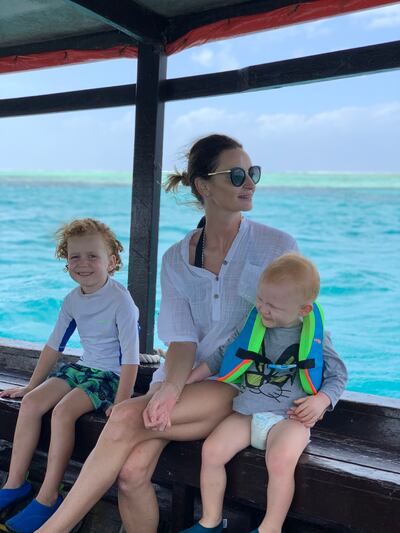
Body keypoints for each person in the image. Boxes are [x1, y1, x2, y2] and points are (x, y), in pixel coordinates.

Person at [36, 133, 299, 533]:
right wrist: (172, 387)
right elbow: (181, 341)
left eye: (254, 173)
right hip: (182, 380)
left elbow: (300, 322)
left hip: (241, 383)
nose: (250, 183)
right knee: (131, 470)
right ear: (203, 185)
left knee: (124, 416)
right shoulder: (176, 257)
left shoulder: (277, 246)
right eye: (238, 174)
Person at [181, 253, 347, 533]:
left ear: (304, 310)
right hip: (248, 412)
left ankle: (270, 528)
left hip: (290, 419)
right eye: (261, 300)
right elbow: (223, 355)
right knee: (211, 451)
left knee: (280, 461)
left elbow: (338, 374)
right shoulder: (254, 325)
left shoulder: (318, 337)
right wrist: (187, 380)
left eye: (273, 306)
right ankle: (210, 521)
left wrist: (322, 400)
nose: (263, 310)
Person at [0, 218, 140, 533]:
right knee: (33, 403)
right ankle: (14, 484)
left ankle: (49, 497)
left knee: (63, 412)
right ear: (66, 262)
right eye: (75, 256)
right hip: (82, 367)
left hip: (110, 376)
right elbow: (53, 346)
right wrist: (30, 386)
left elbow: (130, 359)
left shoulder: (121, 301)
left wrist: (121, 404)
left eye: (93, 256)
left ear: (112, 261)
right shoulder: (73, 299)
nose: (83, 263)